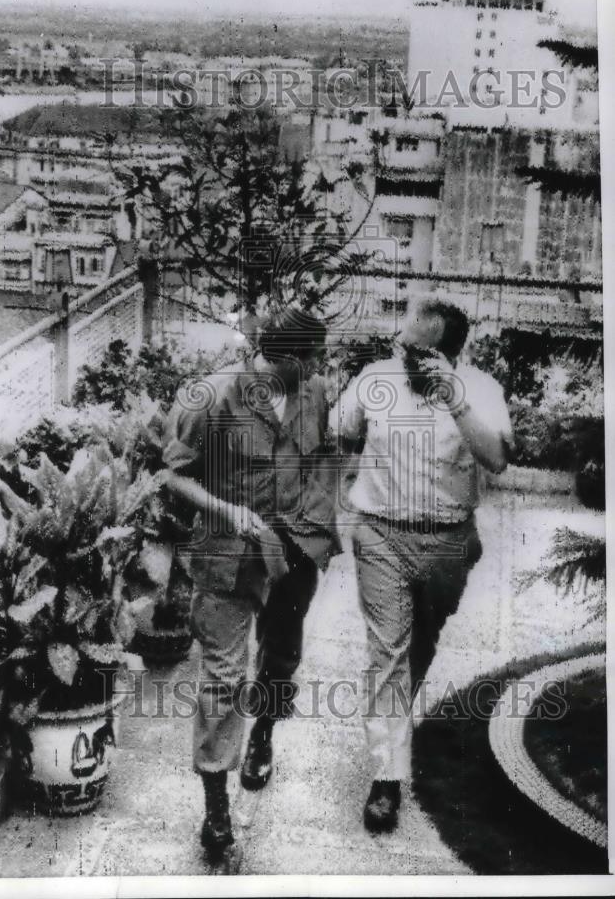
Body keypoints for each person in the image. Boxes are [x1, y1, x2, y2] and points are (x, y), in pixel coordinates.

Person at [163, 306, 340, 862]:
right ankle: (217, 806)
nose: (319, 368)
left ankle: (263, 732)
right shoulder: (210, 397)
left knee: (282, 657)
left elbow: (324, 458)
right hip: (229, 556)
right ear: (285, 358)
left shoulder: (313, 394)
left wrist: (318, 521)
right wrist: (227, 511)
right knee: (221, 677)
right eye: (312, 358)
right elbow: (171, 474)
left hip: (294, 552)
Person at [329, 295, 512, 833]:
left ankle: (394, 726)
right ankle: (387, 779)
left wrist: (455, 402)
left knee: (417, 650)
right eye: (399, 342)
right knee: (387, 651)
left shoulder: (480, 391)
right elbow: (339, 432)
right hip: (381, 534)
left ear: (445, 355)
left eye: (411, 349)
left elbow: (498, 458)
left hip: (448, 543)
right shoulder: (376, 378)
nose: (398, 352)